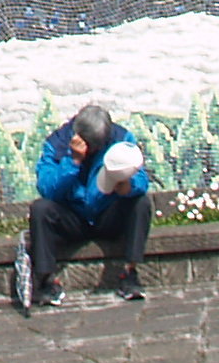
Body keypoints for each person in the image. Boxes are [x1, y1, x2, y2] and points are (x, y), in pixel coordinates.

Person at [11, 103, 151, 312]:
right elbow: (47, 188)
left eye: (100, 145)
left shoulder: (122, 139)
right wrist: (72, 162)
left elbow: (141, 178)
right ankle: (46, 279)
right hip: (73, 217)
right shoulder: (56, 143)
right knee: (41, 209)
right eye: (92, 146)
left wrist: (129, 187)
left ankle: (130, 273)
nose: (95, 150)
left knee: (141, 202)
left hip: (106, 213)